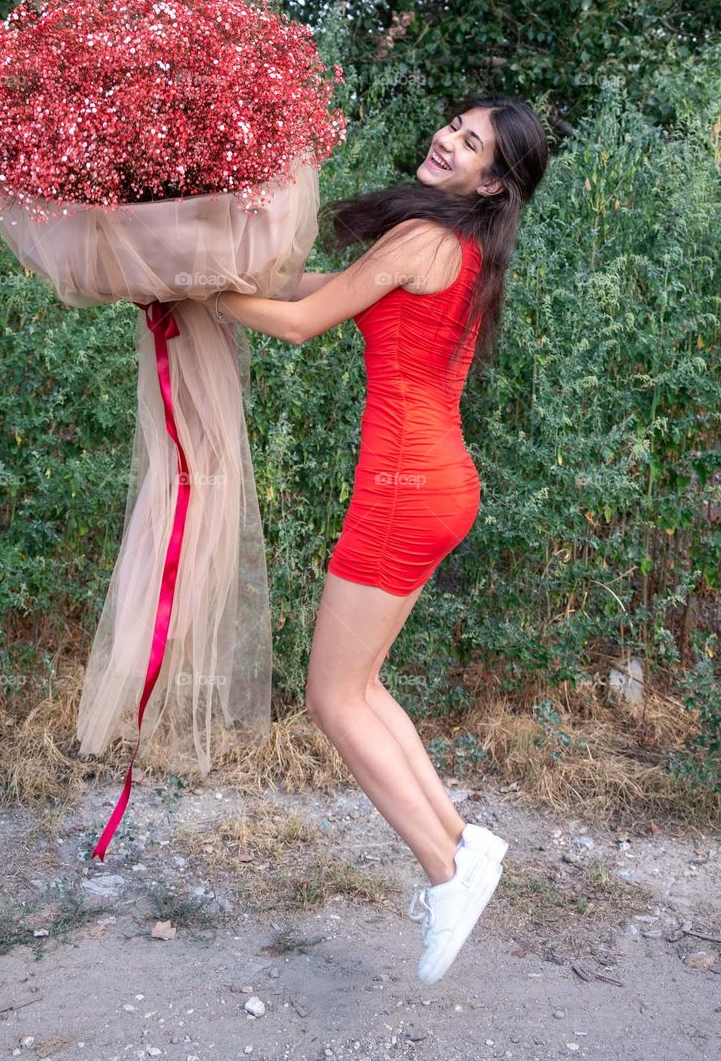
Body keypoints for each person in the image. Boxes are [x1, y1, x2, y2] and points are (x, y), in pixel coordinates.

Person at [212, 93, 550, 983]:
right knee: (359, 686)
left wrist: (197, 291)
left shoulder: (425, 241)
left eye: (471, 142)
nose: (447, 140)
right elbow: (310, 290)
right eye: (453, 126)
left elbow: (294, 324)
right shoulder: (457, 245)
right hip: (433, 484)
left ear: (495, 179)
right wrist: (193, 274)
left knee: (333, 698)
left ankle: (447, 874)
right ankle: (461, 843)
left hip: (404, 489)